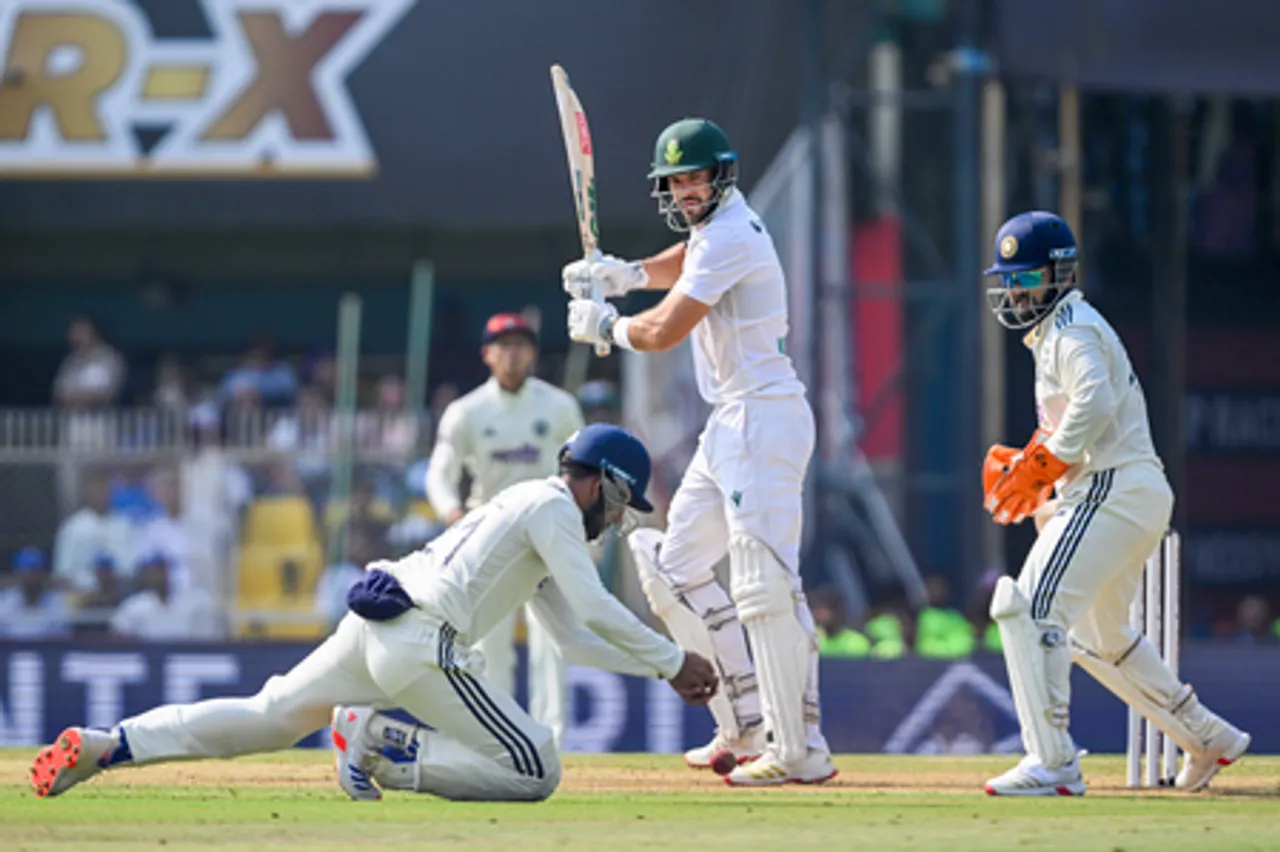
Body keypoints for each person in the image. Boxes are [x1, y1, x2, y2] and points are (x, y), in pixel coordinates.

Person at [29, 425, 719, 803]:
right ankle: (384, 748)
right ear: (598, 482)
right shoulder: (553, 509)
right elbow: (597, 607)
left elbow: (573, 637)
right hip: (421, 640)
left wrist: (662, 673)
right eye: (620, 504)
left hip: (377, 626)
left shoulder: (527, 508)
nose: (615, 521)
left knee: (266, 714)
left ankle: (109, 745)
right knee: (536, 767)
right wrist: (672, 657)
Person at [562, 118, 833, 785]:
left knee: (766, 584)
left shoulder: (734, 234)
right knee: (672, 564)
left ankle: (799, 748)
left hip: (764, 420)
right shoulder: (717, 232)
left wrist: (608, 323)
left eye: (694, 178)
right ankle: (741, 721)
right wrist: (624, 274)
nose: (685, 191)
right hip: (731, 423)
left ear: (721, 176)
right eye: (675, 181)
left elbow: (664, 331)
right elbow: (684, 260)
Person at [979, 211, 1249, 796]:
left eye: (1026, 280)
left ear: (1059, 275)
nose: (1016, 292)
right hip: (1125, 491)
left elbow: (1095, 401)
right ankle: (1207, 738)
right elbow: (1079, 416)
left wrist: (1046, 465)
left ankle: (1052, 763)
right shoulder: (1056, 331)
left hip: (1112, 488)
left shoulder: (1071, 329)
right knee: (1100, 638)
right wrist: (1037, 463)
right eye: (1010, 281)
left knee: (1027, 609)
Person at [425, 313, 585, 746]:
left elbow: (585, 469)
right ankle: (500, 741)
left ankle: (552, 741)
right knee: (488, 645)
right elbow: (439, 474)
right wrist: (451, 511)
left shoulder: (559, 406)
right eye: (503, 345)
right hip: (488, 536)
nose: (512, 353)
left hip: (547, 535)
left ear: (532, 352)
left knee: (553, 641)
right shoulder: (467, 412)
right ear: (487, 355)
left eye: (521, 344)